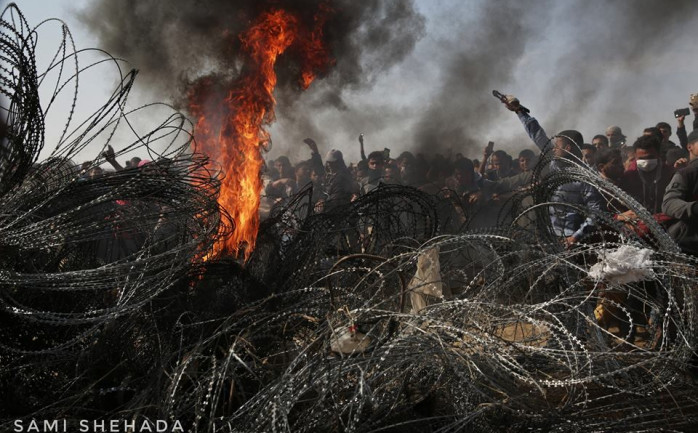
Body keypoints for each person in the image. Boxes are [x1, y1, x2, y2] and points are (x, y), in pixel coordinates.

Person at [502, 95, 605, 247]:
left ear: (568, 148)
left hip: (570, 240)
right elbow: (537, 134)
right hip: (546, 235)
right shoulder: (555, 163)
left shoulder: (585, 177)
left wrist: (575, 237)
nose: (553, 148)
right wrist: (519, 111)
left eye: (557, 145)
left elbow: (596, 212)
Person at [662, 129, 698, 255]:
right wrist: (693, 208)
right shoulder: (687, 173)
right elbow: (669, 203)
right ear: (690, 147)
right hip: (689, 243)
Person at [619, 135, 673, 214]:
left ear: (658, 154)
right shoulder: (628, 177)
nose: (646, 161)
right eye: (641, 158)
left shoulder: (670, 174)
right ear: (635, 156)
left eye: (650, 157)